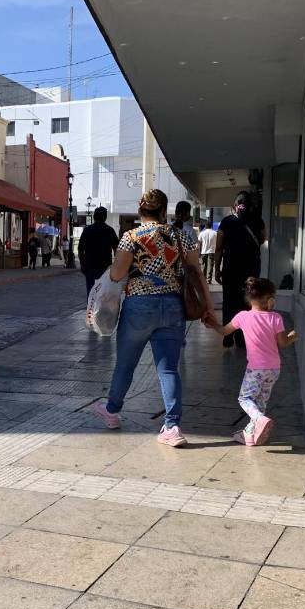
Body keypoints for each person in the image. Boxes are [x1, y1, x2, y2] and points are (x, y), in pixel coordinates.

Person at [91, 189, 215, 448]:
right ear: (163, 210)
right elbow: (197, 272)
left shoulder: (131, 237)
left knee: (125, 365)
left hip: (138, 307)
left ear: (140, 210)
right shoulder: (181, 236)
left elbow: (116, 274)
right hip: (173, 306)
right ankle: (172, 426)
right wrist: (209, 306)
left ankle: (112, 411)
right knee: (168, 368)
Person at [205, 277, 297, 446]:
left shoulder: (243, 317)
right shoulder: (276, 318)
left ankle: (258, 420)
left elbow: (225, 331)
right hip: (274, 369)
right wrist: (292, 336)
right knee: (261, 401)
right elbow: (283, 343)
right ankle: (251, 434)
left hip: (256, 369)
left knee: (245, 399)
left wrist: (213, 324)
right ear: (270, 300)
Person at [214, 191, 266, 348]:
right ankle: (243, 338)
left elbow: (218, 248)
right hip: (251, 269)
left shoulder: (227, 222)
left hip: (231, 269)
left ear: (235, 206)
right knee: (248, 302)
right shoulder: (258, 221)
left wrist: (217, 268)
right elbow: (263, 239)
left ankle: (228, 335)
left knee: (229, 301)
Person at [78, 206, 120, 295]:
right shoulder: (109, 230)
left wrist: (83, 264)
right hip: (105, 267)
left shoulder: (87, 230)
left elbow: (80, 249)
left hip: (90, 266)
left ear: (94, 217)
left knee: (91, 292)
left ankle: (91, 308)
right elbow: (116, 249)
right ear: (105, 217)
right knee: (104, 292)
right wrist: (116, 265)